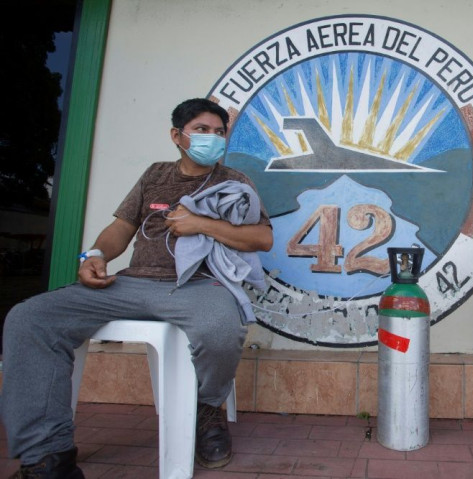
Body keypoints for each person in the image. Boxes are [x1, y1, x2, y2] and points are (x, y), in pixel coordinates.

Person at [1, 98, 273, 477]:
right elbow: (120, 229)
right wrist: (95, 255)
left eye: (218, 131)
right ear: (177, 136)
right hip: (133, 283)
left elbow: (262, 238)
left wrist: (202, 225)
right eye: (202, 130)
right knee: (30, 318)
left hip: (197, 285)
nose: (212, 138)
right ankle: (48, 456)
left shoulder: (234, 181)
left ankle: (207, 408)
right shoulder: (154, 175)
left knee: (221, 329)